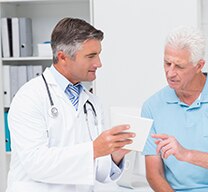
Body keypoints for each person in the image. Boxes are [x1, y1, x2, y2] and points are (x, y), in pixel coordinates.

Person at [6, 17, 135, 192]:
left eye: (98, 54)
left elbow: (98, 173)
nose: (99, 63)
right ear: (63, 57)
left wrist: (115, 155)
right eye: (91, 56)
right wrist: (93, 149)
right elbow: (35, 163)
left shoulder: (92, 103)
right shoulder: (29, 97)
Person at [141, 26, 208, 192]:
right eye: (167, 63)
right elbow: (154, 174)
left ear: (199, 66)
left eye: (179, 66)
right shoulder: (152, 106)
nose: (170, 73)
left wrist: (186, 154)